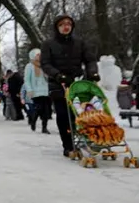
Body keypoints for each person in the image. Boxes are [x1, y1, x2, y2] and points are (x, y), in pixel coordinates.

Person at [40, 14, 99, 157]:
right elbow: (45, 64)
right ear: (57, 27)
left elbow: (90, 60)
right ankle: (68, 145)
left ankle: (88, 139)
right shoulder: (48, 44)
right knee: (63, 115)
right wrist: (58, 75)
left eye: (68, 24)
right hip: (58, 84)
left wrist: (92, 73)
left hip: (77, 83)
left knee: (82, 112)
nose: (66, 27)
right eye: (62, 24)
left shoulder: (80, 43)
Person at [24, 48, 51, 134]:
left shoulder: (44, 66)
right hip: (36, 91)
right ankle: (33, 121)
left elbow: (49, 77)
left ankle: (44, 127)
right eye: (37, 55)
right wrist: (29, 90)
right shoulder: (29, 66)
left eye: (40, 55)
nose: (39, 57)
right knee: (38, 109)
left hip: (46, 91)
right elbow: (27, 79)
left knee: (46, 110)